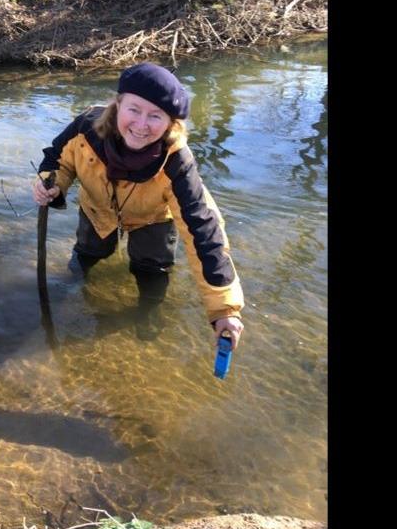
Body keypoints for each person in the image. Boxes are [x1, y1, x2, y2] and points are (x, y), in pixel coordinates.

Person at [32, 62, 244, 348]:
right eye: (134, 110)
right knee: (88, 252)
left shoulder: (178, 162)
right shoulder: (86, 127)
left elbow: (203, 233)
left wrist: (224, 310)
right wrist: (52, 184)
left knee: (151, 269)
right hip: (97, 209)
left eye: (156, 116)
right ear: (118, 105)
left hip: (153, 218)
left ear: (171, 123)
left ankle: (149, 310)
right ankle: (76, 281)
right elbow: (57, 159)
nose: (142, 125)